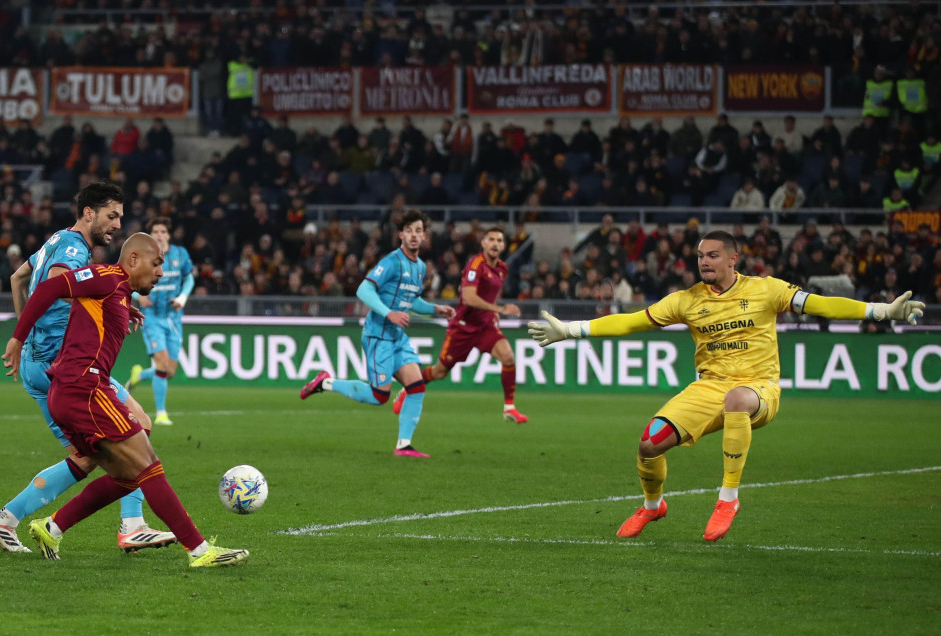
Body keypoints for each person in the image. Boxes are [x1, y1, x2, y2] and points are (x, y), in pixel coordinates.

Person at [528, 230, 924, 542]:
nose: (704, 261)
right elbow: (630, 321)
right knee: (649, 443)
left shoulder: (766, 289)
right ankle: (652, 505)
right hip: (708, 389)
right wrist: (572, 330)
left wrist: (880, 310)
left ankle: (727, 499)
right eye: (700, 256)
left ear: (734, 259)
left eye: (713, 255)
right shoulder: (686, 300)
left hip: (758, 388)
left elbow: (821, 304)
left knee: (737, 399)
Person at [1, 233, 247, 568]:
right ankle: (200, 551)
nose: (160, 273)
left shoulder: (115, 291)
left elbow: (92, 300)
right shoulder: (107, 277)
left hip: (72, 392)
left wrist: (122, 306)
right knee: (148, 464)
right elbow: (49, 288)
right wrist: (18, 339)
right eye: (156, 263)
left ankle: (52, 528)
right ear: (133, 259)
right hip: (83, 390)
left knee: (128, 477)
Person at [0, 182, 175, 554]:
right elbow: (56, 286)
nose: (117, 225)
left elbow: (18, 279)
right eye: (112, 216)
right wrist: (26, 335)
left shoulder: (56, 239)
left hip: (38, 366)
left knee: (85, 457)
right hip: (69, 369)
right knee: (139, 425)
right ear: (89, 213)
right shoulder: (73, 249)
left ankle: (5, 519)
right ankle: (132, 525)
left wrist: (27, 333)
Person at [300, 209, 456, 458]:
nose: (413, 235)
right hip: (378, 336)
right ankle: (325, 382)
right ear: (401, 235)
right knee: (379, 396)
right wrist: (389, 313)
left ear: (424, 236)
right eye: (409, 230)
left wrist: (435, 308)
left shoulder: (420, 268)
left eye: (418, 231)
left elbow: (411, 301)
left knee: (416, 387)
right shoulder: (391, 262)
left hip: (397, 337)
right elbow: (363, 290)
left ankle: (403, 446)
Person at [391, 227, 527, 423]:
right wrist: (499, 309)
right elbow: (469, 298)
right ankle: (408, 387)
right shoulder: (475, 265)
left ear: (503, 245)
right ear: (483, 243)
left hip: (485, 326)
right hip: (463, 327)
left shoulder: (502, 269)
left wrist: (491, 312)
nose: (495, 244)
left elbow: (488, 293)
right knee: (439, 372)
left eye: (499, 241)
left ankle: (509, 408)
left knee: (508, 356)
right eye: (491, 240)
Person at [126, 218, 194, 426]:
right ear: (150, 235)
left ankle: (139, 375)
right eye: (155, 231)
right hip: (152, 318)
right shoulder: (140, 256)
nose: (159, 235)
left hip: (173, 318)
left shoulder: (181, 254)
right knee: (162, 364)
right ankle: (161, 413)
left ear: (168, 235)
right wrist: (138, 297)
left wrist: (183, 297)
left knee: (169, 371)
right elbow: (126, 280)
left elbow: (189, 278)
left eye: (163, 231)